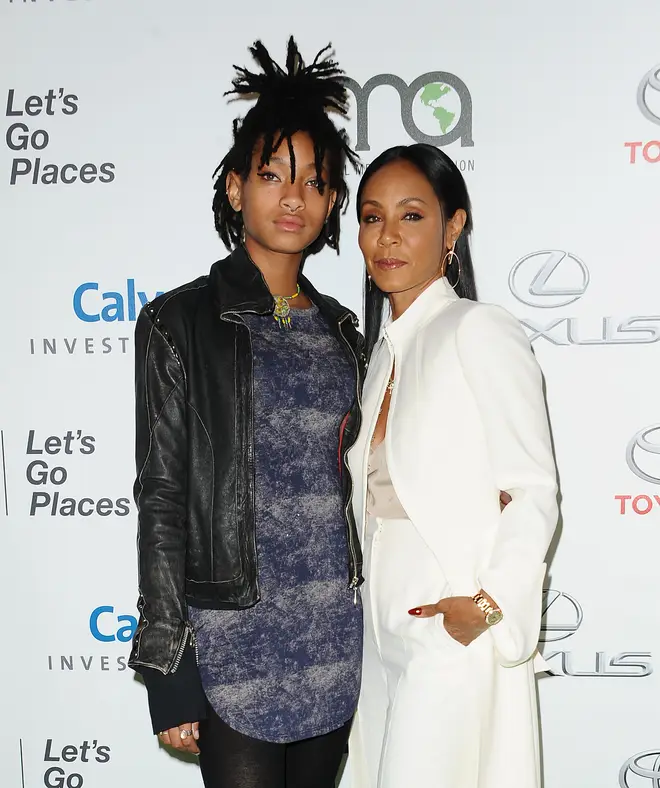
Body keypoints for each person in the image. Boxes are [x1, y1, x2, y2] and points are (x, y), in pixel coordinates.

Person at [127, 38, 365, 788]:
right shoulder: (180, 323)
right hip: (231, 644)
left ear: (331, 204)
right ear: (235, 189)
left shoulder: (345, 334)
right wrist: (170, 670)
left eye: (315, 182)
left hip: (335, 639)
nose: (293, 197)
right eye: (271, 175)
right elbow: (163, 496)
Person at [345, 144, 559, 788]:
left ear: (453, 227)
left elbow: (534, 490)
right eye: (371, 216)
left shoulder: (478, 329)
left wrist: (489, 606)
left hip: (449, 620)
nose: (386, 237)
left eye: (411, 216)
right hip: (377, 633)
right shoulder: (377, 357)